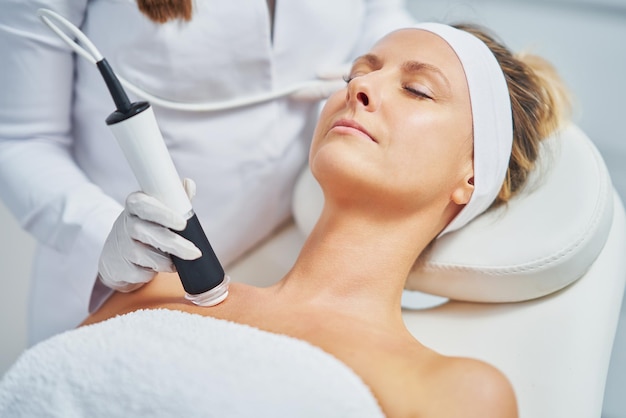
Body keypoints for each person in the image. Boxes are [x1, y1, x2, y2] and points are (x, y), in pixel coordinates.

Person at [80, 22, 571, 417]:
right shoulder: (156, 293)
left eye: (418, 90)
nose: (361, 86)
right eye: (355, 74)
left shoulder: (457, 394)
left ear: (471, 173)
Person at [0, 0, 415, 343]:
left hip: (286, 250)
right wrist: (99, 232)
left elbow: (382, 16)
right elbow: (22, 140)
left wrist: (374, 68)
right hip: (120, 280)